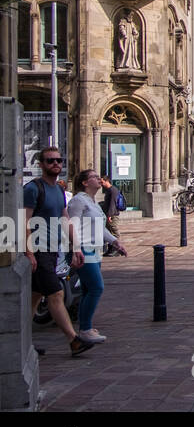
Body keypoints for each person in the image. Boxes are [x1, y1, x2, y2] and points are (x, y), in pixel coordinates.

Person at [24, 147, 94, 356]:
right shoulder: (33, 189)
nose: (55, 164)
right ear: (41, 165)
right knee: (56, 293)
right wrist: (28, 253)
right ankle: (74, 341)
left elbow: (65, 219)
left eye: (58, 160)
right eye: (50, 161)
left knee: (34, 299)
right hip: (38, 250)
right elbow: (24, 222)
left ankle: (21, 345)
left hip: (53, 250)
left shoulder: (59, 191)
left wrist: (76, 247)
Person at [67, 169, 126, 344]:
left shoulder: (92, 202)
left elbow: (100, 229)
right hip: (83, 248)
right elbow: (72, 225)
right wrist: (76, 249)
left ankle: (86, 325)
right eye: (94, 177)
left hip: (95, 249)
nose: (99, 179)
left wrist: (115, 242)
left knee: (87, 289)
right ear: (85, 182)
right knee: (96, 287)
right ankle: (84, 329)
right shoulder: (78, 201)